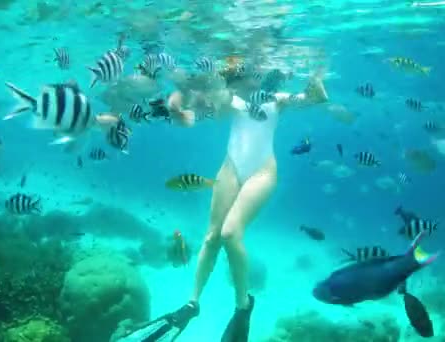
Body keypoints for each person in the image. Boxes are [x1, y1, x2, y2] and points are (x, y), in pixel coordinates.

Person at [114, 65, 328, 342]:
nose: (254, 77)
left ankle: (242, 304)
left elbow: (315, 99)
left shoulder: (279, 99)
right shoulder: (231, 99)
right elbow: (193, 111)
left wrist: (317, 81)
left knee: (230, 232)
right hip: (230, 169)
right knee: (212, 237)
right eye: (248, 74)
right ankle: (192, 302)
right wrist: (178, 106)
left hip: (262, 172)